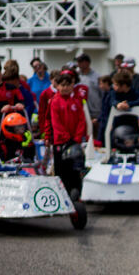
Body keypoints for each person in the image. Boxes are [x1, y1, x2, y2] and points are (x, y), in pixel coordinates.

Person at [47, 70, 88, 199]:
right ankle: (62, 196)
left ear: (72, 85)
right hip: (61, 142)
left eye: (67, 85)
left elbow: (82, 120)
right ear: (57, 86)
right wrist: (65, 138)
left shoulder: (76, 101)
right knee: (61, 170)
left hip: (74, 142)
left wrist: (76, 138)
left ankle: (76, 194)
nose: (65, 88)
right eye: (62, 85)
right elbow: (56, 122)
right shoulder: (55, 101)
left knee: (75, 170)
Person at [99, 69, 139, 142]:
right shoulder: (113, 93)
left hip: (132, 124)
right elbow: (112, 101)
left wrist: (129, 104)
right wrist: (118, 104)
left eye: (116, 84)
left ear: (124, 86)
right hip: (117, 124)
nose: (113, 86)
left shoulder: (134, 93)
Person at [75, 54, 101, 137]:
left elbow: (102, 94)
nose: (78, 65)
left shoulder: (96, 76)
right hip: (82, 111)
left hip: (95, 111)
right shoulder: (77, 76)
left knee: (96, 132)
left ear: (87, 63)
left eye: (80, 62)